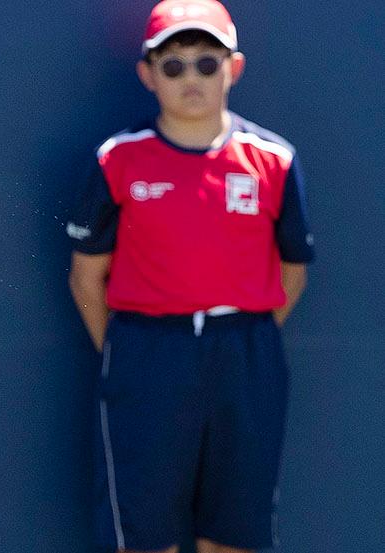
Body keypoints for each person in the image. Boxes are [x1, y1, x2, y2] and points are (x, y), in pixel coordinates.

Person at [66, 2, 314, 553]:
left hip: (246, 353)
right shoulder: (117, 159)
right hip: (146, 352)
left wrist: (238, 329)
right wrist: (130, 353)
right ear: (147, 75)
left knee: (235, 530)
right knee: (144, 534)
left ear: (235, 68)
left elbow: (293, 269)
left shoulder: (273, 159)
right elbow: (87, 278)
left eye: (207, 62)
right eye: (173, 65)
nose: (192, 78)